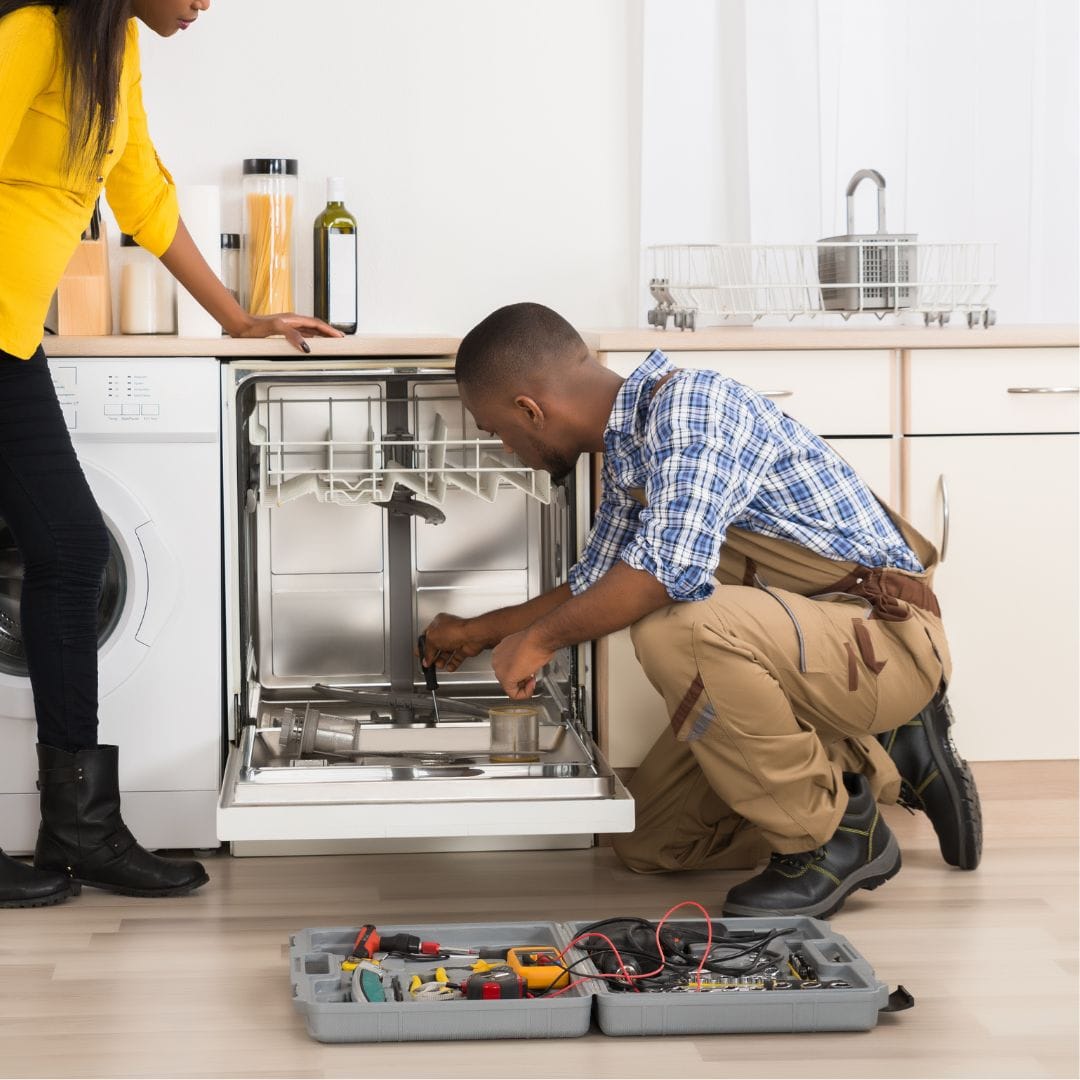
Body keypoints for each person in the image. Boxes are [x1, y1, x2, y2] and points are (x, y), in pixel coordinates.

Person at [422, 302, 983, 919]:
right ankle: (875, 757)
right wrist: (476, 632)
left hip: (880, 637)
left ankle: (834, 839)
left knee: (676, 629)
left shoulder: (693, 408)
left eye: (496, 430)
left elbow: (665, 573)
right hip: (809, 648)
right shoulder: (631, 451)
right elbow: (598, 583)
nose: (505, 447)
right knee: (650, 842)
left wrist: (539, 642)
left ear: (531, 409)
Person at [0, 0, 342, 908]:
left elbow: (141, 187)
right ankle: (82, 828)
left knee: (71, 552)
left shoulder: (104, 45)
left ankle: (81, 828)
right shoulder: (32, 29)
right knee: (73, 549)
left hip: (9, 336)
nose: (204, 4)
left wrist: (238, 317)